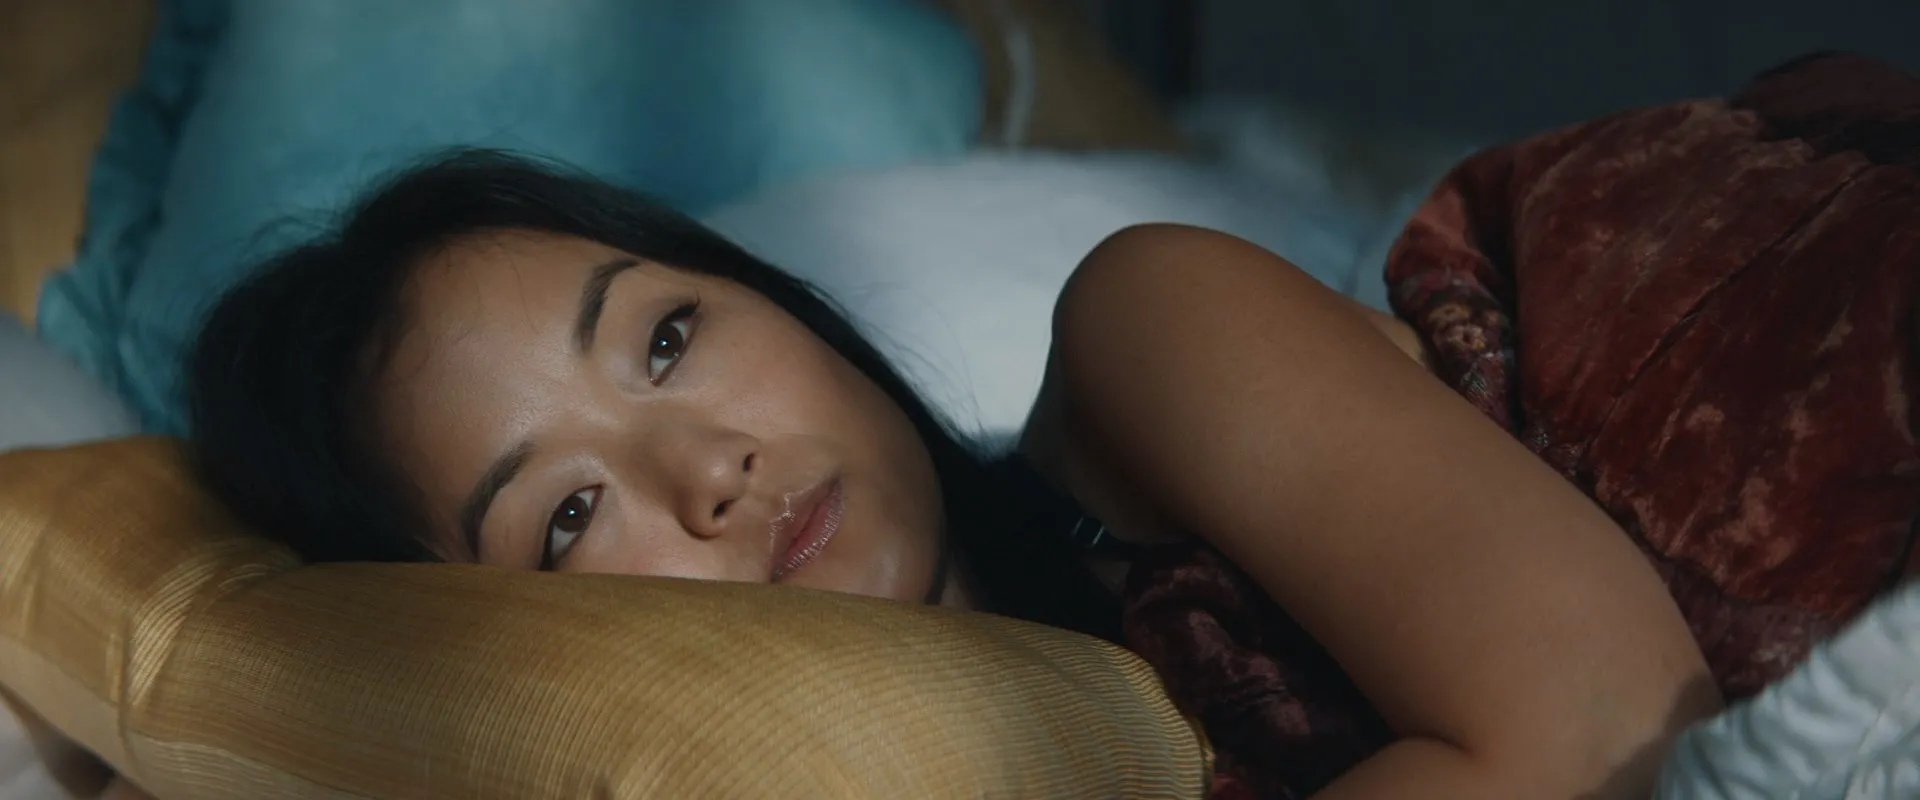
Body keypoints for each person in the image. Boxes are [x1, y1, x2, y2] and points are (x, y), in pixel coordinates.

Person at [161, 149, 1718, 799]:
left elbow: (1609, 732)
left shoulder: (1151, 334)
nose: (712, 467)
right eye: (568, 514)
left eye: (669, 337)